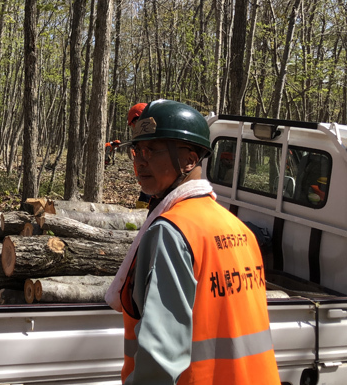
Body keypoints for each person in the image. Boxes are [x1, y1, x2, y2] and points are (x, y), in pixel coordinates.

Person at [105, 99, 279, 384]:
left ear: (189, 159)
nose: (140, 159)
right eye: (137, 150)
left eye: (152, 150)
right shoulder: (240, 230)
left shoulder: (172, 231)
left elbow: (159, 360)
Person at [127, 103, 151, 209]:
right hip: (147, 187)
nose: (133, 128)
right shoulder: (140, 143)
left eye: (134, 124)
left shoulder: (154, 143)